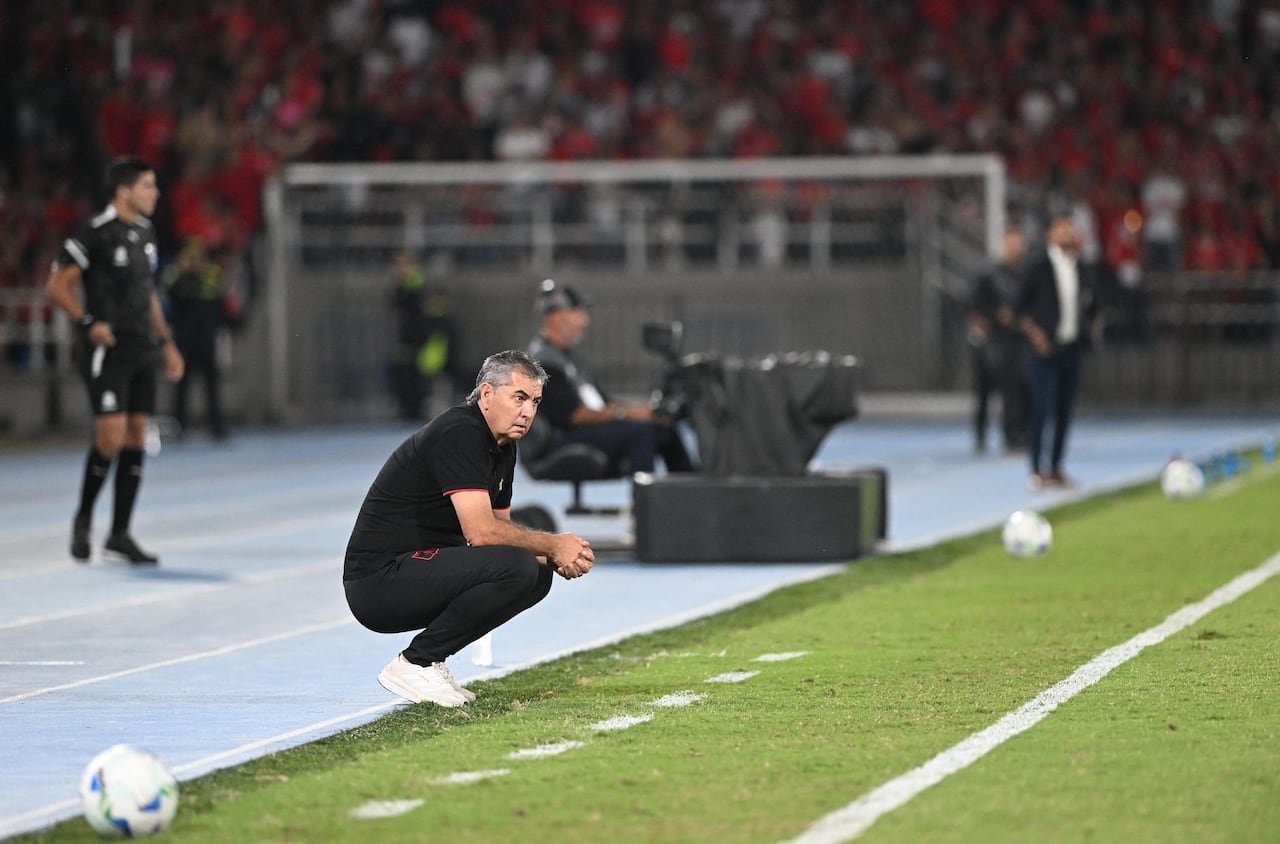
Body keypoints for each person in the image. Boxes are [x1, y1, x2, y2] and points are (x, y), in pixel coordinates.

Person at [344, 350, 595, 707]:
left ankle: (430, 660)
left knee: (536, 574)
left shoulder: (504, 445)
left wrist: (553, 558)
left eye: (535, 402)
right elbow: (481, 533)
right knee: (521, 566)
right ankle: (416, 662)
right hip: (377, 582)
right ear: (487, 395)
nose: (528, 412)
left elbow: (500, 534)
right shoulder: (460, 431)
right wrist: (554, 545)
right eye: (519, 398)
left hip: (416, 569)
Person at [46, 156, 185, 565]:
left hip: (143, 346)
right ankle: (84, 517)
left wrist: (167, 342)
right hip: (108, 349)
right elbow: (56, 286)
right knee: (110, 436)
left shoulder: (146, 232)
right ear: (124, 190)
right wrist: (88, 321)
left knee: (137, 436)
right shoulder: (95, 233)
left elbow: (148, 294)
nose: (155, 193)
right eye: (148, 185)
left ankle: (120, 534)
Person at [525, 278, 694, 474]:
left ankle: (689, 492)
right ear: (555, 317)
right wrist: (627, 414)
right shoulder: (543, 361)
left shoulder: (572, 360)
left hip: (584, 431)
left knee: (662, 428)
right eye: (578, 313)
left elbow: (604, 404)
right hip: (557, 440)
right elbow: (574, 416)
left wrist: (643, 412)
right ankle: (644, 501)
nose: (585, 321)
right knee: (641, 433)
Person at [1015, 215, 1100, 491]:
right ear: (1049, 234)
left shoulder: (1082, 266)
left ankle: (1056, 468)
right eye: (1062, 228)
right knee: (1040, 409)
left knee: (1065, 411)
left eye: (1070, 229)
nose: (1068, 233)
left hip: (1071, 348)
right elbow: (1018, 306)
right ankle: (1036, 470)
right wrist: (1035, 333)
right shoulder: (1037, 266)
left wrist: (1093, 327)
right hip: (1044, 351)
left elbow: (1094, 302)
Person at [966, 226, 1029, 454]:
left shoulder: (1025, 274)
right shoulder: (989, 274)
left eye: (1019, 243)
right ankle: (981, 435)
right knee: (986, 392)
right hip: (993, 342)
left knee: (1020, 389)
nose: (1016, 248)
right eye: (1011, 244)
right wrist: (993, 320)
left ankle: (1017, 435)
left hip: (1019, 340)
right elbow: (974, 310)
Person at [163, 238, 229, 439]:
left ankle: (217, 427)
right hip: (184, 338)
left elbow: (218, 300)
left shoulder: (211, 274)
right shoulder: (175, 275)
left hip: (206, 338)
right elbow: (173, 293)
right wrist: (184, 271)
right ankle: (179, 426)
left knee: (212, 385)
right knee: (181, 385)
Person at [387, 253, 459, 420]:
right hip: (417, 341)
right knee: (412, 377)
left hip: (423, 343)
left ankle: (416, 411)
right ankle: (414, 410)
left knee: (417, 377)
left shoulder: (416, 287)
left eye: (401, 265)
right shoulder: (409, 288)